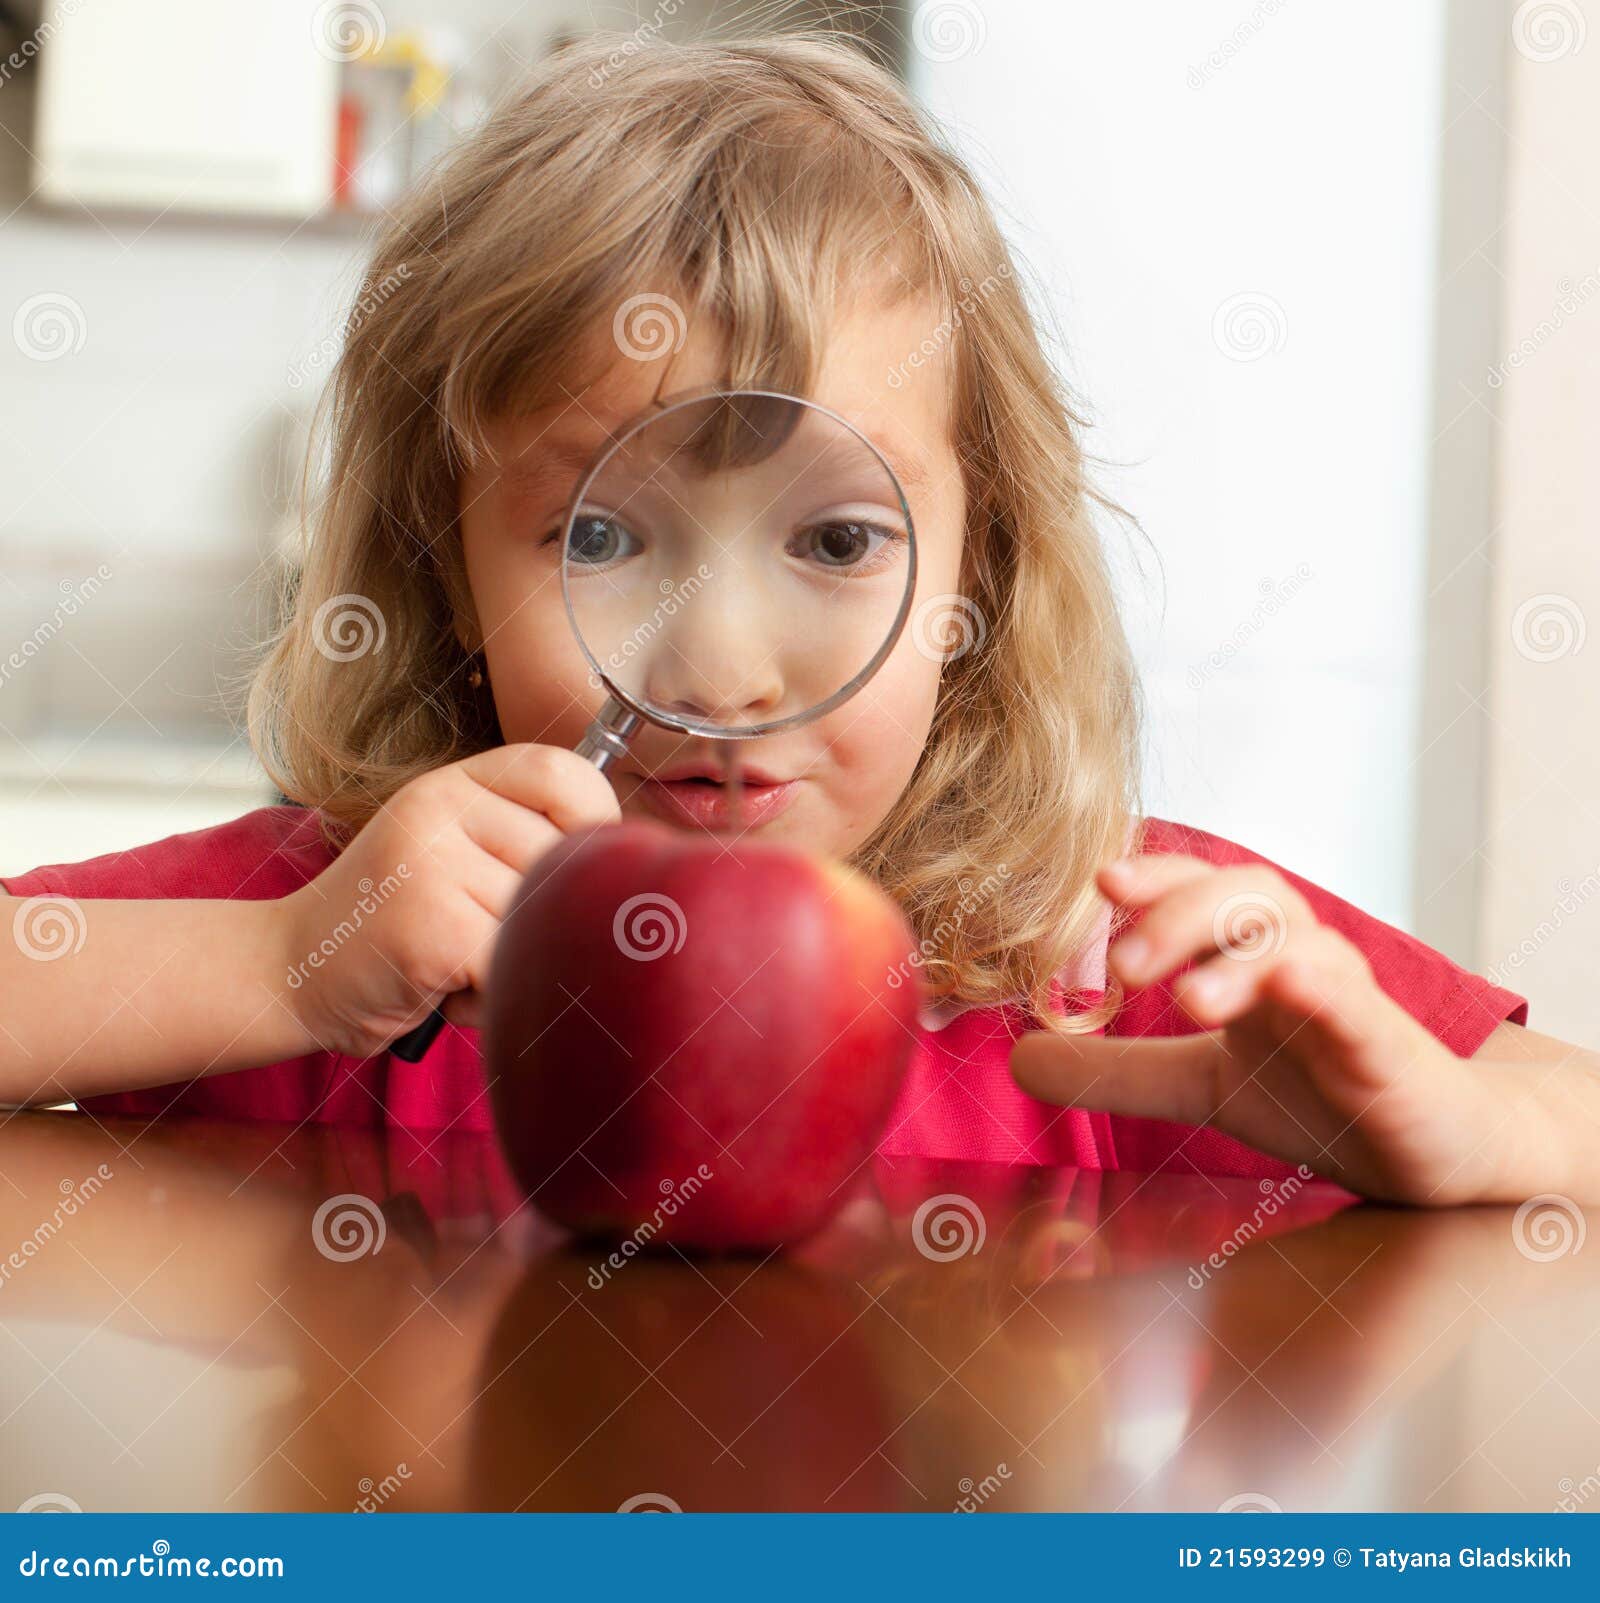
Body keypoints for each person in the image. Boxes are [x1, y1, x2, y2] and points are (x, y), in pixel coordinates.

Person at [1, 32, 1587, 1207]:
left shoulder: (1107, 953)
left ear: (978, 574)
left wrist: (1454, 1132)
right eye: (602, 536)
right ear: (443, 576)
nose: (720, 671)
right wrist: (282, 967)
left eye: (836, 540)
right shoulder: (357, 912)